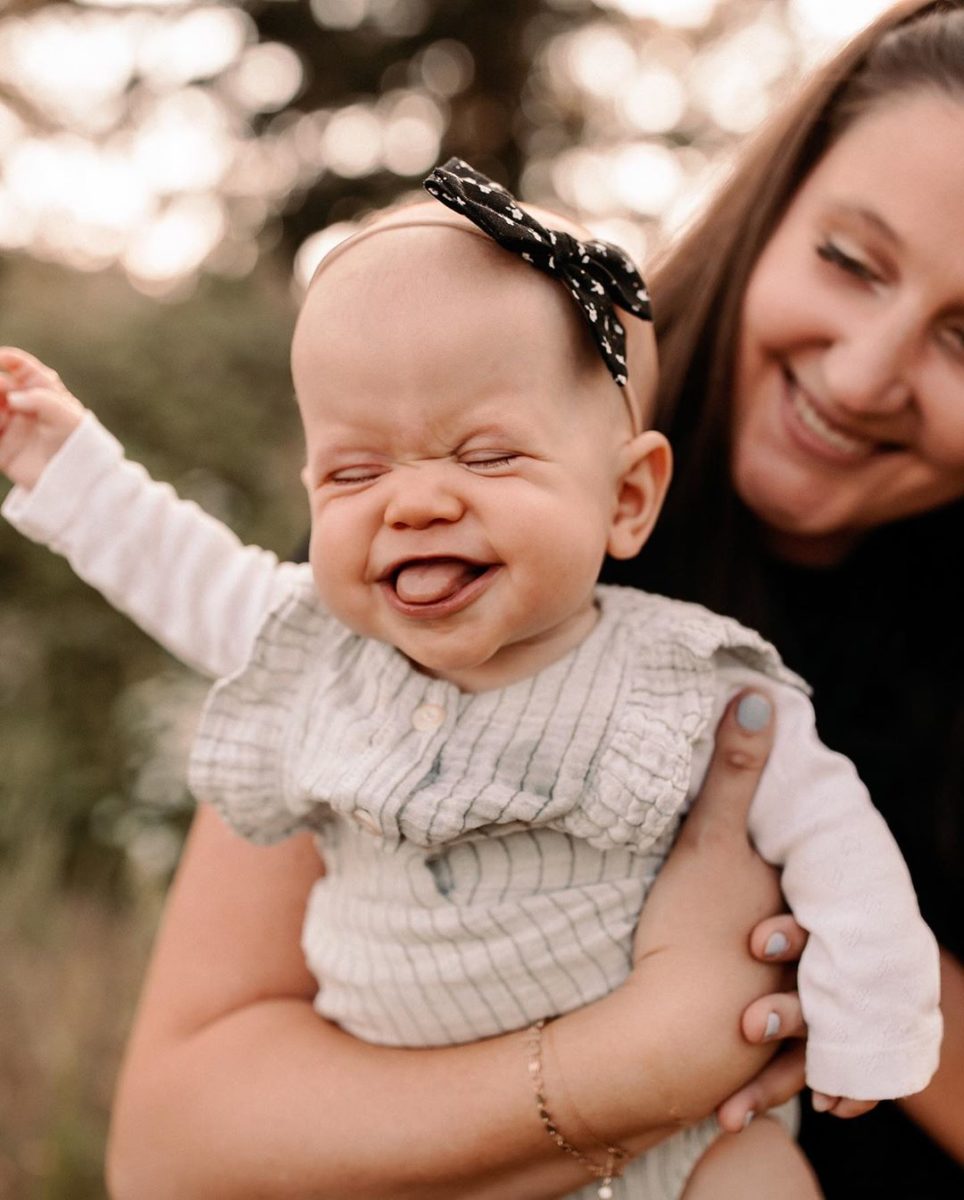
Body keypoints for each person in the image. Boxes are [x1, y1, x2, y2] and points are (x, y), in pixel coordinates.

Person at [0, 156, 942, 1199]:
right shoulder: (316, 649)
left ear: (628, 498)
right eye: (356, 473)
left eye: (486, 458)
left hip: (696, 1150)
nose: (413, 504)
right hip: (438, 1147)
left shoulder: (682, 678)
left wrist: (875, 1023)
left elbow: (836, 838)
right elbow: (176, 563)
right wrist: (61, 458)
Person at [597, 1, 964, 1195]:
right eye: (849, 262)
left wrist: (869, 966)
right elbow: (180, 1150)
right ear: (771, 210)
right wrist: (645, 1059)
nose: (863, 378)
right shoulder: (477, 489)